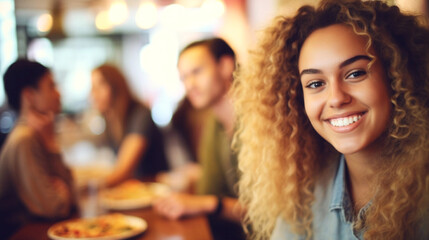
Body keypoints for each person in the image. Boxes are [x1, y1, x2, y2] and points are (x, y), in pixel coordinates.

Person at [232, 0, 429, 239]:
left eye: (355, 73)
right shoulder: (303, 188)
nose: (336, 98)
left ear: (397, 77)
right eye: (316, 84)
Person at [154, 38, 245, 240]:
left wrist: (210, 204)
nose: (189, 85)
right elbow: (208, 188)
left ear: (225, 66)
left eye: (196, 72)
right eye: (183, 78)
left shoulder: (260, 120)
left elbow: (272, 212)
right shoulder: (214, 123)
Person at [0, 59, 74, 238]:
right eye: (51, 86)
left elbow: (72, 195)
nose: (58, 93)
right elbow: (55, 209)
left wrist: (50, 144)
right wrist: (62, 193)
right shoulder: (24, 139)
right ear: (29, 95)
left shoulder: (37, 134)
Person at [90, 63, 169, 187]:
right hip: (135, 190)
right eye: (92, 88)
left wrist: (89, 186)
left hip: (155, 190)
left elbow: (123, 171)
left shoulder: (140, 114)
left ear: (115, 86)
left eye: (99, 87)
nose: (93, 94)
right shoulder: (111, 120)